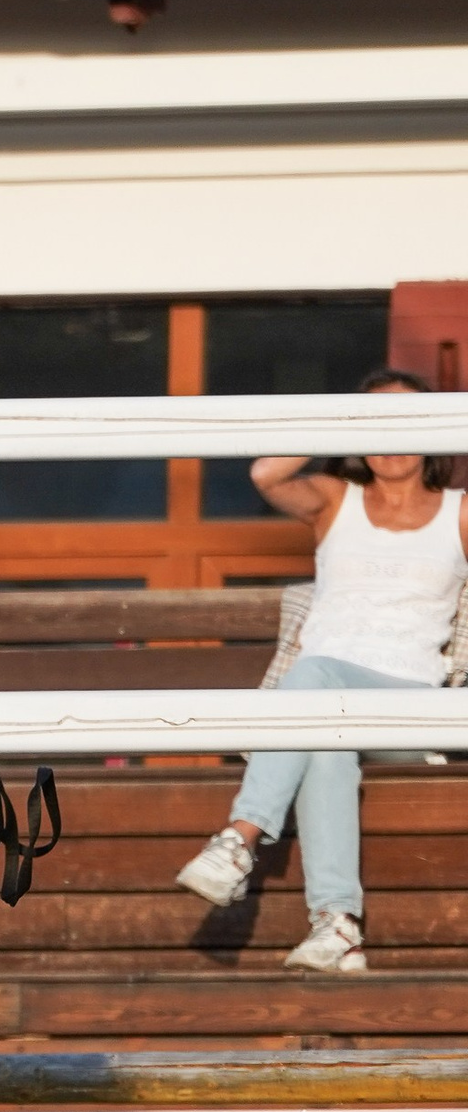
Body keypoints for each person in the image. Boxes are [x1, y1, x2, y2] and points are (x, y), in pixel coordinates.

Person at [175, 367, 468, 974]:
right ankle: (338, 927)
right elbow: (266, 473)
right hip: (323, 707)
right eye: (375, 422)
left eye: (405, 422)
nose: (390, 438)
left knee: (317, 678)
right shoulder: (336, 499)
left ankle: (239, 840)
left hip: (411, 710)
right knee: (327, 740)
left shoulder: (459, 513)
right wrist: (343, 415)